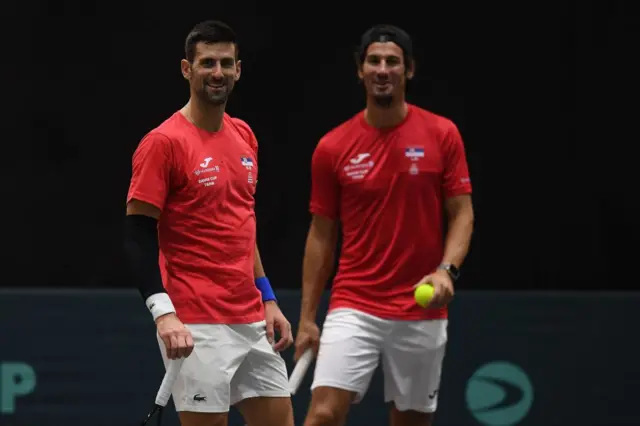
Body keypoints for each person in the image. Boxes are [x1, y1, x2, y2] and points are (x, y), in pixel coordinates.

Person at [294, 24, 475, 426]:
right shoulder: (333, 146)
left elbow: (461, 213)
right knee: (323, 414)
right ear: (360, 70)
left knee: (409, 421)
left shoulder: (442, 134)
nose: (382, 69)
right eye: (373, 61)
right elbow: (321, 234)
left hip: (421, 308)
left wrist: (447, 271)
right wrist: (307, 318)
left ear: (408, 70)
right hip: (354, 302)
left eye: (392, 61)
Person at [123, 20, 294, 426]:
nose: (217, 73)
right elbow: (138, 235)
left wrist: (267, 296)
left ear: (238, 69)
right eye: (207, 63)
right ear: (187, 69)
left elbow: (241, 223)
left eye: (225, 63)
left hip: (251, 319)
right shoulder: (163, 143)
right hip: (195, 322)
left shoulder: (245, 136)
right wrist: (164, 314)